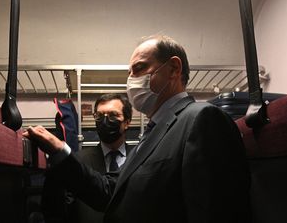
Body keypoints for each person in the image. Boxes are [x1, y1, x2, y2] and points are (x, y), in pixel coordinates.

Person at [25, 35, 250, 223]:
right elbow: (111, 192)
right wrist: (60, 151)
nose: (131, 80)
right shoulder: (153, 133)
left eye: (140, 68)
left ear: (173, 68)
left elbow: (217, 211)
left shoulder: (202, 119)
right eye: (130, 73)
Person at [42, 93, 134, 223]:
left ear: (127, 122)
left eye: (113, 115)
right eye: (99, 116)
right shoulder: (78, 160)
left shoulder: (140, 158)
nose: (105, 121)